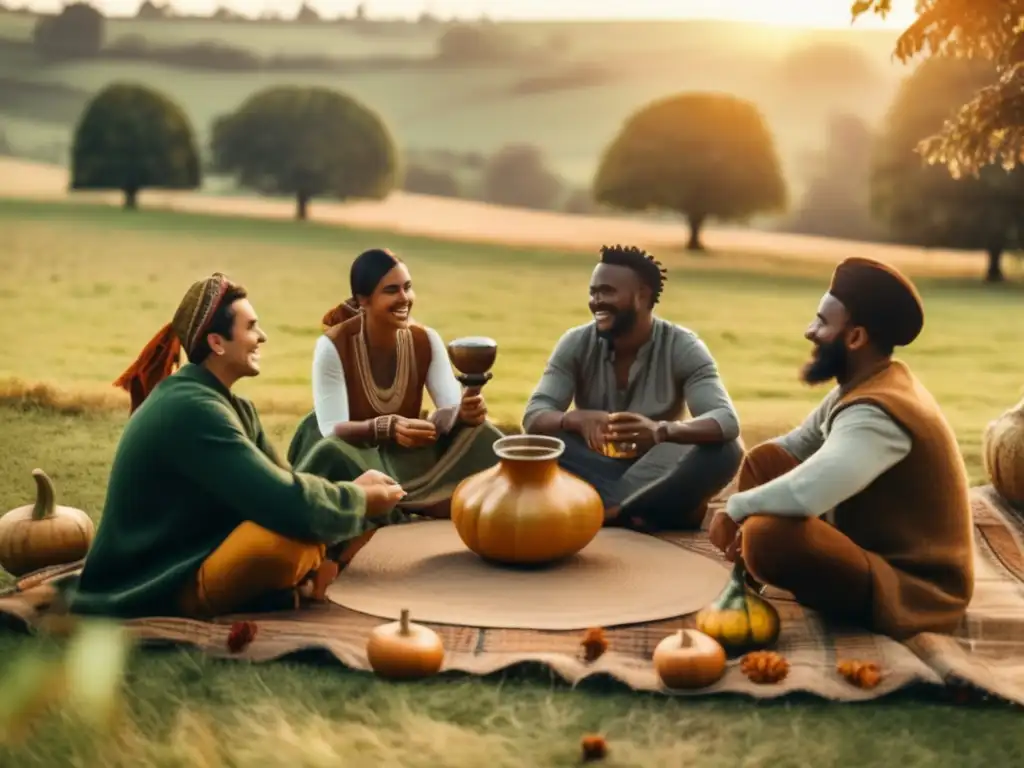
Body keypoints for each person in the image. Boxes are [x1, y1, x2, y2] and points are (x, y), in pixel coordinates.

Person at [71, 273, 407, 620]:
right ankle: (278, 584)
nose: (262, 337)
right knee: (285, 545)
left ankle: (296, 581)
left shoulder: (232, 406)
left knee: (316, 500)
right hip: (159, 579)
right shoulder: (191, 409)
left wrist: (344, 499)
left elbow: (284, 485)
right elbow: (287, 504)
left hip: (204, 548)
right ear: (217, 342)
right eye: (251, 327)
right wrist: (359, 499)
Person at [708, 256, 975, 640]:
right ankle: (750, 569)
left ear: (855, 338)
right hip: (865, 548)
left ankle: (763, 559)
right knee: (764, 461)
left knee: (767, 536)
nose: (809, 332)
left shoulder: (877, 414)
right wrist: (756, 492)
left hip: (911, 590)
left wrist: (737, 509)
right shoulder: (861, 385)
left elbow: (808, 492)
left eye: (821, 322)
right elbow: (794, 449)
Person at [522, 244, 743, 531]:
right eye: (593, 292)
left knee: (727, 449)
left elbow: (725, 419)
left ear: (642, 296)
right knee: (534, 444)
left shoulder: (683, 346)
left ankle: (606, 506)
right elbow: (534, 415)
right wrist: (573, 418)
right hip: (595, 464)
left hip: (661, 466)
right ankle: (649, 509)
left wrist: (660, 430)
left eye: (607, 292)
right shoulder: (575, 343)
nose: (596, 301)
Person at [286, 248, 503, 521]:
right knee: (334, 453)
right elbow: (332, 428)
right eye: (391, 290)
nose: (404, 298)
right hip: (355, 449)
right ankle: (404, 504)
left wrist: (463, 411)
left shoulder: (426, 340)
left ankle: (486, 497)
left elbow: (448, 410)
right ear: (363, 300)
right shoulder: (332, 345)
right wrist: (387, 426)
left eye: (408, 288)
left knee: (480, 431)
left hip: (409, 456)